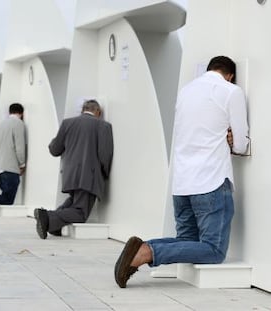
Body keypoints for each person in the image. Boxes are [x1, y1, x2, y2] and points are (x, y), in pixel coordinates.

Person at [114, 56, 250, 288]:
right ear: (230, 75)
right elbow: (240, 145)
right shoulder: (231, 91)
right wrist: (231, 140)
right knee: (214, 250)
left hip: (182, 182)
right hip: (212, 181)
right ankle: (146, 251)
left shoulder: (186, 91)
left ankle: (141, 248)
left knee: (186, 240)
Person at [33, 99, 113, 239]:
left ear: (83, 109)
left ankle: (53, 225)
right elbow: (105, 154)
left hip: (70, 174)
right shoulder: (103, 126)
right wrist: (105, 173)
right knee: (81, 213)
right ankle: (47, 216)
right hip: (90, 175)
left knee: (73, 202)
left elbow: (54, 149)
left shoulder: (67, 123)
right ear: (98, 112)